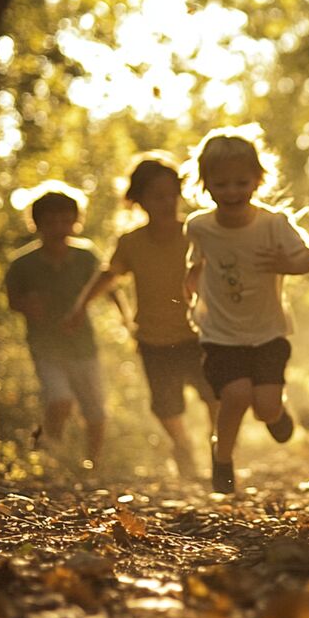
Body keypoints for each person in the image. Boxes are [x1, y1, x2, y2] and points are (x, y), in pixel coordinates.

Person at [184, 126, 309, 494]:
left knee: (264, 406)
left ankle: (276, 413)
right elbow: (196, 264)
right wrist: (190, 293)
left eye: (240, 182)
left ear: (258, 180)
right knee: (235, 394)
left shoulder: (273, 224)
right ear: (205, 184)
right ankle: (223, 456)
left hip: (268, 331)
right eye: (221, 184)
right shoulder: (199, 227)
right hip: (220, 332)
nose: (231, 192)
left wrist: (285, 263)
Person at [66, 152, 219, 479]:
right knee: (165, 407)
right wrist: (80, 306)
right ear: (139, 200)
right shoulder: (132, 242)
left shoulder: (196, 233)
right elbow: (109, 275)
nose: (167, 202)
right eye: (157, 196)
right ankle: (182, 443)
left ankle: (219, 448)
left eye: (172, 194)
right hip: (154, 339)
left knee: (215, 395)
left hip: (201, 334)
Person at [5, 184, 110, 468]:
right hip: (46, 347)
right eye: (50, 222)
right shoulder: (22, 264)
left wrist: (127, 317)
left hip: (83, 345)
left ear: (76, 221)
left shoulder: (87, 255)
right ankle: (52, 450)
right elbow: (13, 300)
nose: (59, 228)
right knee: (60, 399)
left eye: (66, 220)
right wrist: (28, 305)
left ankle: (93, 464)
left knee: (96, 412)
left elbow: (108, 285)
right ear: (36, 223)